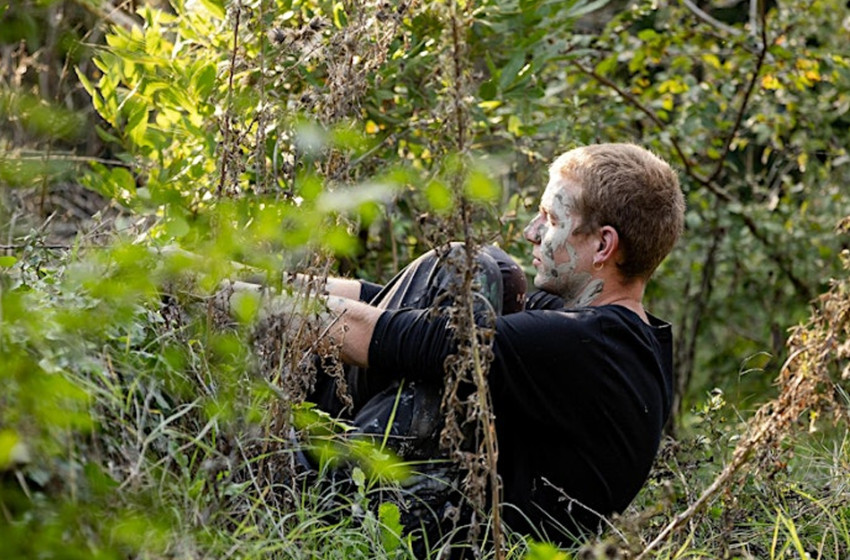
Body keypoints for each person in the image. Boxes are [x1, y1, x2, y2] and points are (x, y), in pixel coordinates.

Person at [248, 143, 685, 545]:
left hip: (443, 535)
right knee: (493, 278)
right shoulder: (609, 334)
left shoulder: (591, 347)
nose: (532, 232)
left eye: (551, 219)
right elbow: (391, 306)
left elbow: (399, 337)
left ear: (604, 245)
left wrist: (228, 299)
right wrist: (230, 277)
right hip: (449, 518)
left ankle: (286, 478)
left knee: (475, 268)